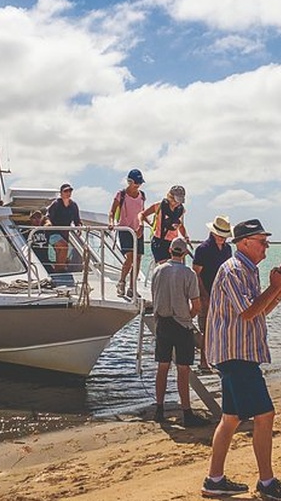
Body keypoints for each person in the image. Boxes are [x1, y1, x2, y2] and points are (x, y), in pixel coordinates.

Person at [201, 219, 281, 501]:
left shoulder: (246, 271)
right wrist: (274, 286)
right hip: (236, 355)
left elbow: (258, 312)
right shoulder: (234, 270)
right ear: (244, 243)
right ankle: (267, 483)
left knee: (231, 419)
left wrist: (279, 292)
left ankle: (215, 480)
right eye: (262, 241)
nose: (266, 246)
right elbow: (248, 311)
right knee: (265, 415)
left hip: (237, 354)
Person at [150, 237, 211, 428]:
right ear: (184, 253)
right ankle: (186, 412)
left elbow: (154, 296)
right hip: (181, 324)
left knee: (162, 366)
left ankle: (159, 409)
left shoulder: (157, 271)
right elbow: (196, 304)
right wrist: (189, 316)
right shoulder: (188, 273)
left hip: (162, 322)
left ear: (170, 250)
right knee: (183, 370)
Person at [192, 215, 233, 371]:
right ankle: (203, 361)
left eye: (225, 235)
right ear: (214, 232)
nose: (223, 238)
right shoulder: (202, 249)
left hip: (224, 295)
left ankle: (219, 359)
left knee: (222, 328)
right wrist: (203, 296)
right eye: (221, 235)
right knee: (206, 329)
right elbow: (196, 273)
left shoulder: (228, 249)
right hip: (206, 294)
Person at [108, 169, 146, 297]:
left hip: (138, 230)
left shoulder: (142, 195)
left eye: (140, 183)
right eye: (136, 183)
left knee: (138, 259)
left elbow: (143, 213)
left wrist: (146, 223)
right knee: (129, 258)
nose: (138, 185)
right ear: (130, 182)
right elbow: (112, 211)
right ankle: (122, 282)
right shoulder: (121, 194)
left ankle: (132, 287)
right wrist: (111, 222)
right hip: (125, 229)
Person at [139, 185, 188, 264]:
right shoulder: (159, 205)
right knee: (166, 267)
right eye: (175, 201)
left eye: (179, 201)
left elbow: (181, 226)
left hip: (173, 244)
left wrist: (186, 238)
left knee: (174, 268)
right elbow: (142, 214)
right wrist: (143, 224)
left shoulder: (181, 210)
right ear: (170, 197)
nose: (177, 203)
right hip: (159, 242)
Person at [45, 183, 82, 272]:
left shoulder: (73, 205)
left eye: (70, 191)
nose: (68, 193)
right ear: (61, 193)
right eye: (66, 191)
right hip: (53, 233)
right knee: (64, 246)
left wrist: (79, 227)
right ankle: (60, 270)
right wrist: (48, 224)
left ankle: (57, 271)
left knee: (61, 253)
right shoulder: (56, 203)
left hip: (65, 234)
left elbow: (77, 220)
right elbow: (47, 217)